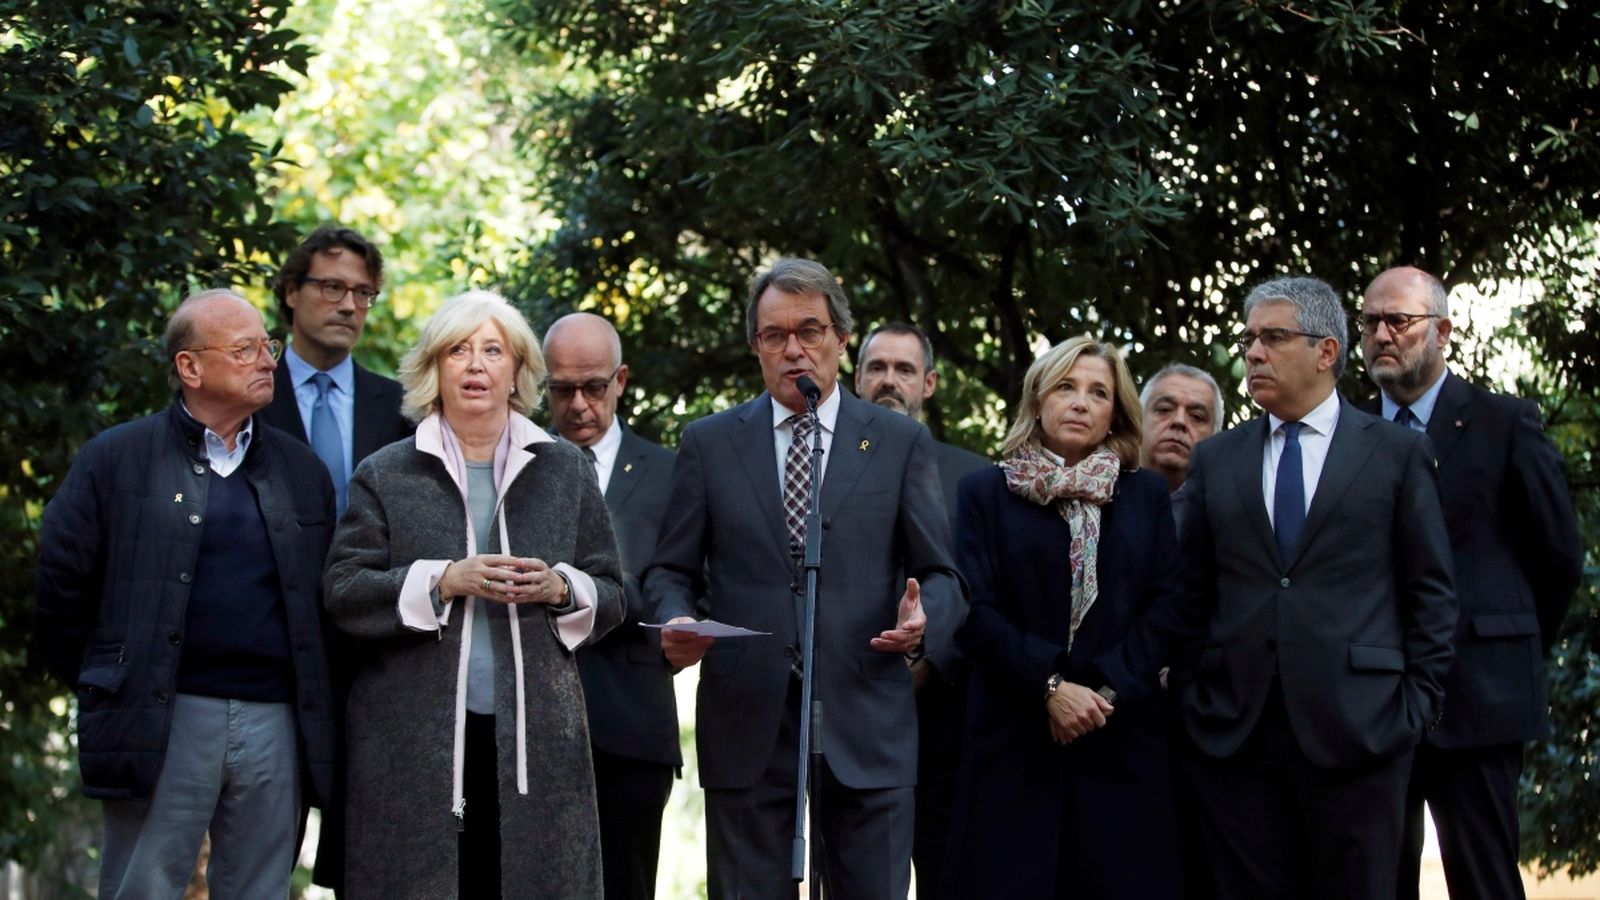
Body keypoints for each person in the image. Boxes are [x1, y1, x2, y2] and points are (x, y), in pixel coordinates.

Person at [643, 257, 966, 899]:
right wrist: (674, 616)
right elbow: (670, 569)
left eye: (810, 331)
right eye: (775, 335)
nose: (794, 350)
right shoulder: (710, 442)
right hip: (747, 717)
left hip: (867, 715)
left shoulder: (897, 441)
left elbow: (942, 574)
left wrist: (925, 618)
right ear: (756, 346)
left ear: (841, 340)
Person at [34, 289, 338, 898]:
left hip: (275, 720)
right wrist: (113, 683)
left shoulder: (301, 470)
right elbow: (60, 589)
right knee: (142, 888)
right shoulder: (116, 459)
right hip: (161, 714)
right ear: (190, 368)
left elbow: (324, 602)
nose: (267, 361)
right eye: (245, 349)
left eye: (268, 346)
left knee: (260, 891)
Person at [322, 291, 624, 899]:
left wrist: (561, 587)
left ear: (517, 371)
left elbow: (612, 592)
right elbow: (344, 590)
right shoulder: (386, 472)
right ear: (434, 369)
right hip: (412, 742)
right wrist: (442, 581)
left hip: (537, 740)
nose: (476, 365)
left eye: (493, 351)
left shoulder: (566, 470)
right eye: (458, 350)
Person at [1173, 276, 1457, 900]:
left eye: (1273, 337)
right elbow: (1191, 593)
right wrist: (1195, 695)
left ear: (1326, 351)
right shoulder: (1218, 458)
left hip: (1364, 735)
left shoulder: (1397, 453)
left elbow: (1432, 593)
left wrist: (1415, 709)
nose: (1253, 353)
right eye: (1249, 339)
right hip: (1235, 737)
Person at [1358, 266, 1583, 900]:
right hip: (1373, 701)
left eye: (1399, 321)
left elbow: (1558, 558)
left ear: (1442, 332)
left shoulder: (1504, 422)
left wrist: (1506, 644)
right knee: (1375, 881)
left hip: (1482, 695)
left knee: (1485, 880)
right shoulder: (1347, 431)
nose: (1381, 335)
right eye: (1370, 322)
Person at [942, 336, 1187, 899]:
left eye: (1099, 392)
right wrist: (1050, 688)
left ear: (1115, 413)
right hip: (1013, 742)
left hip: (1118, 740)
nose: (1081, 402)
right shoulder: (984, 491)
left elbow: (1168, 608)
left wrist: (1097, 695)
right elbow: (973, 609)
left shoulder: (1145, 495)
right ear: (1037, 400)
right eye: (1066, 387)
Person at [542, 312, 679, 900]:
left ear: (620, 380)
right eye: (562, 389)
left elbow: (685, 584)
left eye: (594, 387)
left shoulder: (671, 472)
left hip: (632, 725)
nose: (579, 405)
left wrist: (583, 591)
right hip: (532, 727)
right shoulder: (513, 463)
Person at [854, 320, 986, 897]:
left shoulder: (974, 478)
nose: (890, 380)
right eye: (877, 368)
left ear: (928, 383)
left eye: (904, 369)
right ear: (856, 380)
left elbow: (986, 592)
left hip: (946, 721)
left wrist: (931, 661)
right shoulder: (823, 469)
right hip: (852, 712)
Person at [262, 224, 413, 517]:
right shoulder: (249, 397)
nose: (349, 306)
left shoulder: (401, 406)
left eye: (363, 292)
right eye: (333, 287)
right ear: (292, 292)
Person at [1139, 363, 1222, 536]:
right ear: (1138, 421)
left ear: (1215, 438)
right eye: (1164, 410)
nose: (1179, 421)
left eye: (1197, 417)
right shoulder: (1099, 495)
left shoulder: (1226, 519)